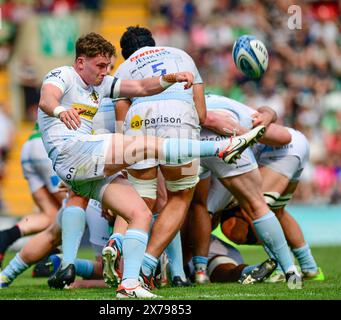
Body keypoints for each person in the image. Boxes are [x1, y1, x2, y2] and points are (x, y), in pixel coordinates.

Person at [36, 32, 266, 298]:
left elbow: (142, 88)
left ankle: (130, 285)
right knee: (147, 145)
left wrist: (169, 79)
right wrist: (60, 111)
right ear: (80, 63)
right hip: (72, 151)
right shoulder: (62, 75)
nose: (105, 72)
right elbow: (46, 100)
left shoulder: (100, 85)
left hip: (84, 166)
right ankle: (221, 148)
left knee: (140, 214)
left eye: (108, 66)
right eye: (100, 66)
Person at [103, 25, 204, 289]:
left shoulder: (123, 69)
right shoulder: (182, 56)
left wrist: (123, 157)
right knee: (180, 195)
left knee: (139, 202)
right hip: (179, 119)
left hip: (139, 119)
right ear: (154, 43)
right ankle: (147, 266)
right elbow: (202, 113)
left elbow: (120, 119)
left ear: (126, 54)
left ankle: (117, 242)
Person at [187, 94, 303, 287]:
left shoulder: (178, 102)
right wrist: (250, 130)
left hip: (188, 141)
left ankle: (188, 272)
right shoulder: (243, 111)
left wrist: (269, 113)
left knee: (188, 206)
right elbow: (284, 137)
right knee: (258, 206)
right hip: (227, 140)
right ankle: (291, 272)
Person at [0, 122, 65, 267]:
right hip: (51, 146)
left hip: (30, 146)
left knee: (51, 215)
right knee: (75, 207)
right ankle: (49, 261)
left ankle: (5, 236)